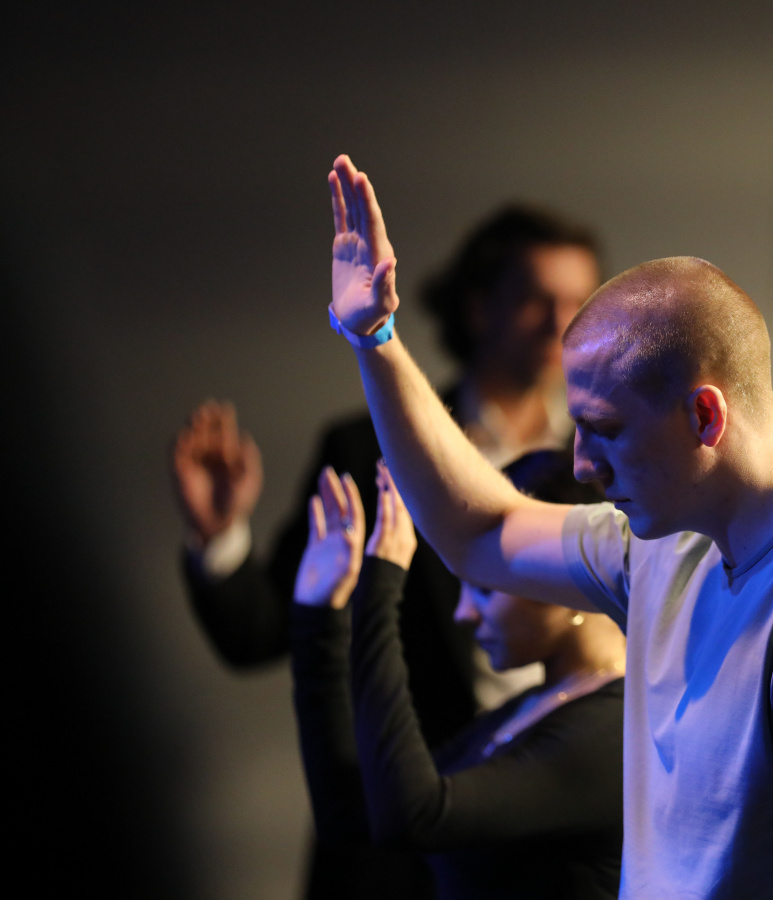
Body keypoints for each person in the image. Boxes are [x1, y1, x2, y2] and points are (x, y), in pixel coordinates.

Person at [323, 153, 773, 900]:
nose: (582, 463)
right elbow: (480, 531)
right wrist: (376, 337)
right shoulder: (670, 543)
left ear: (705, 416)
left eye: (606, 430)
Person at [170, 203, 602, 899]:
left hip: (545, 844)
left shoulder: (606, 458)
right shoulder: (369, 450)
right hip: (395, 837)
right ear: (477, 308)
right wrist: (221, 535)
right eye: (535, 299)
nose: (559, 322)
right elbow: (264, 630)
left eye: (578, 301)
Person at [291, 451, 625, 899]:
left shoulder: (614, 729)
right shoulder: (538, 706)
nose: (464, 612)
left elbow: (416, 816)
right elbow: (351, 816)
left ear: (566, 576)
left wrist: (382, 589)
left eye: (485, 587)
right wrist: (320, 617)